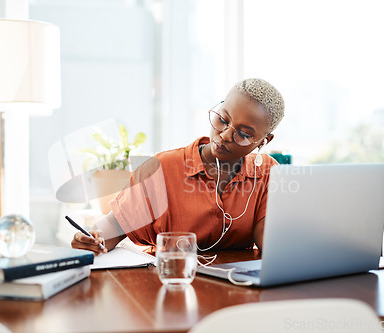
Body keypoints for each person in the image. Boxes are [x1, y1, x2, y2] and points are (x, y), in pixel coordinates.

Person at [71, 78, 285, 255]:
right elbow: (114, 226)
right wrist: (92, 238)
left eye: (244, 134)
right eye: (223, 119)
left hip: (235, 290)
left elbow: (270, 243)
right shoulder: (162, 168)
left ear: (265, 140)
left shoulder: (267, 172)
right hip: (170, 282)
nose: (225, 135)